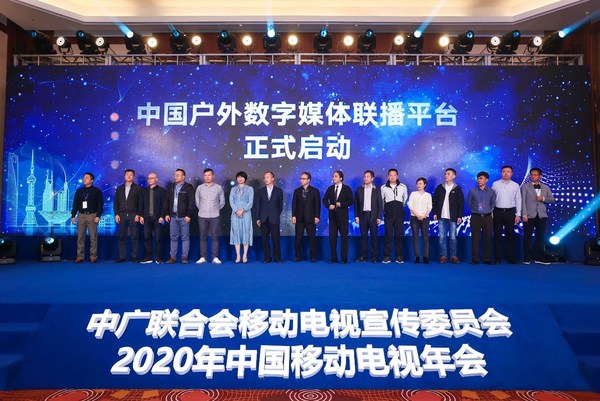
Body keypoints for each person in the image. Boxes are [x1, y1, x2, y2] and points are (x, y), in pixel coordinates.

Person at [521, 168, 555, 265]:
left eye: (535, 174)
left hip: (541, 215)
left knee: (540, 237)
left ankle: (539, 258)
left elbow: (552, 200)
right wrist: (524, 214)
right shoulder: (525, 186)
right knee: (527, 237)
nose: (533, 176)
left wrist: (543, 198)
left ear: (540, 176)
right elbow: (523, 201)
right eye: (531, 174)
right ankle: (526, 258)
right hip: (529, 215)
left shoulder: (545, 187)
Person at [432, 168, 464, 264]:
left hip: (453, 217)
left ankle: (453, 256)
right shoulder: (440, 187)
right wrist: (435, 213)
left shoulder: (457, 189)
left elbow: (460, 203)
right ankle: (443, 256)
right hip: (441, 216)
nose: (446, 175)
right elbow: (435, 201)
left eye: (448, 174)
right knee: (442, 237)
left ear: (454, 176)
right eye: (445, 173)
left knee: (453, 237)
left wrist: (459, 216)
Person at [492, 165, 522, 264]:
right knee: (497, 235)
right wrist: (491, 212)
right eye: (504, 171)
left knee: (510, 235)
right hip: (497, 212)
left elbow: (518, 200)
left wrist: (518, 214)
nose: (506, 173)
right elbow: (492, 199)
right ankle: (497, 258)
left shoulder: (515, 185)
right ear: (501, 173)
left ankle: (510, 257)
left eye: (508, 171)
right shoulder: (495, 184)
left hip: (510, 212)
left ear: (511, 173)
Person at [195, 168, 226, 264]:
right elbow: (197, 201)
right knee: (202, 236)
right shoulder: (200, 188)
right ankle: (203, 257)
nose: (207, 177)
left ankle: (215, 257)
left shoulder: (218, 188)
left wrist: (215, 209)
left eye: (209, 175)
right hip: (202, 215)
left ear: (213, 176)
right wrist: (202, 209)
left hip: (215, 215)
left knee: (214, 236)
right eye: (205, 175)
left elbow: (222, 202)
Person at [71, 172, 103, 263]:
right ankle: (80, 256)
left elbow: (100, 205)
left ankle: (93, 256)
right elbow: (75, 204)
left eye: (87, 177)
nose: (84, 179)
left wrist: (98, 216)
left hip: (92, 215)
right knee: (80, 237)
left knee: (93, 237)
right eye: (84, 177)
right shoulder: (79, 191)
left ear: (92, 180)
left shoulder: (97, 191)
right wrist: (73, 215)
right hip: (81, 215)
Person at [164, 168, 195, 264]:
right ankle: (172, 257)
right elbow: (166, 201)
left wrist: (189, 215)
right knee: (173, 237)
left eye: (178, 175)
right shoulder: (171, 187)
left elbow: (191, 202)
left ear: (183, 177)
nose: (175, 177)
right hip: (173, 217)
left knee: (185, 237)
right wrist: (166, 213)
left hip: (184, 217)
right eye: (175, 175)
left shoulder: (189, 187)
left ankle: (184, 257)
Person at [322, 170, 353, 264]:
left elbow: (351, 201)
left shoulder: (346, 188)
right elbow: (324, 199)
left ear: (341, 178)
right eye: (333, 176)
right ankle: (334, 258)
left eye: (335, 176)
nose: (333, 178)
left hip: (343, 217)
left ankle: (344, 258)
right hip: (332, 217)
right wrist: (328, 206)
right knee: (332, 238)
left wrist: (341, 204)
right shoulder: (330, 188)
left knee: (344, 238)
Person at [254, 171, 284, 263]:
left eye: (268, 177)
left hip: (274, 218)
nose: (265, 179)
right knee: (265, 240)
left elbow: (280, 206)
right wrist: (258, 218)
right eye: (265, 177)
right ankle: (267, 257)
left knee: (276, 239)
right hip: (263, 219)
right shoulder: (260, 191)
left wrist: (275, 214)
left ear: (272, 179)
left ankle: (277, 258)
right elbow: (257, 205)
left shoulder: (278, 191)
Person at [291, 171, 321, 262]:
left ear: (309, 180)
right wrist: (293, 215)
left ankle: (313, 256)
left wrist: (317, 216)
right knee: (298, 238)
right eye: (301, 178)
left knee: (312, 238)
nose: (301, 180)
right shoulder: (297, 191)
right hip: (299, 218)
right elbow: (294, 204)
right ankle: (297, 256)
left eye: (303, 179)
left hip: (311, 218)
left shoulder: (315, 191)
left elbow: (317, 205)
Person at [467, 171, 496, 265]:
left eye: (481, 178)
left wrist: (487, 210)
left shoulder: (491, 191)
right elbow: (469, 203)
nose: (479, 180)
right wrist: (476, 210)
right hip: (476, 217)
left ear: (486, 180)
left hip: (487, 217)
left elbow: (493, 203)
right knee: (475, 238)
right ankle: (475, 259)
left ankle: (487, 259)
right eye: (478, 178)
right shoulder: (472, 191)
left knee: (487, 238)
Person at [113, 168, 142, 263]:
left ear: (133, 177)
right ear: (124, 176)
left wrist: (138, 214)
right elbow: (116, 202)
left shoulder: (138, 188)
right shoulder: (119, 188)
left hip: (133, 214)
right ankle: (122, 256)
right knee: (121, 236)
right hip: (121, 215)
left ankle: (134, 256)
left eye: (131, 175)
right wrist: (116, 214)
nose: (129, 176)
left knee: (134, 236)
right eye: (127, 174)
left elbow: (141, 202)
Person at [354, 170, 383, 263]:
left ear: (372, 178)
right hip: (362, 216)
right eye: (364, 177)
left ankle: (374, 257)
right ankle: (363, 256)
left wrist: (379, 217)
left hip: (373, 216)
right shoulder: (359, 189)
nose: (365, 178)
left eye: (368, 177)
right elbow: (356, 204)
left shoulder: (377, 189)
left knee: (374, 237)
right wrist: (356, 216)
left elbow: (380, 204)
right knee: (363, 237)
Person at [381, 168, 408, 264]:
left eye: (394, 175)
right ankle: (387, 256)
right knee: (388, 236)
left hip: (399, 214)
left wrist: (399, 207)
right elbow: (382, 201)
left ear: (397, 176)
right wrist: (386, 210)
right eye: (390, 175)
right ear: (388, 176)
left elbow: (405, 199)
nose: (392, 177)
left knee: (398, 236)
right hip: (388, 214)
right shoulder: (383, 187)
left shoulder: (403, 187)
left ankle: (399, 256)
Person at [139, 172, 167, 264]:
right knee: (147, 238)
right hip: (146, 218)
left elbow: (164, 205)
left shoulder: (162, 191)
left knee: (158, 238)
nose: (150, 180)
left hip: (157, 218)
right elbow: (141, 204)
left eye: (152, 178)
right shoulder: (144, 191)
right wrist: (141, 215)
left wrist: (162, 216)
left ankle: (159, 258)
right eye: (149, 178)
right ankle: (148, 257)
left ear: (156, 179)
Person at [229, 171, 254, 263]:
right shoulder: (233, 189)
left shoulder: (250, 189)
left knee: (246, 232)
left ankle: (245, 255)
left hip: (246, 213)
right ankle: (238, 255)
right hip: (235, 214)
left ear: (245, 178)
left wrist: (243, 210)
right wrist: (236, 211)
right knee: (236, 233)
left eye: (242, 177)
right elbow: (231, 201)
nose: (240, 179)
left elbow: (250, 202)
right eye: (238, 177)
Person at [407, 177, 432, 264]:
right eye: (417, 183)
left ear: (425, 184)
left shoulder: (428, 195)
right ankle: (417, 256)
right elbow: (410, 206)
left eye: (420, 183)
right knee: (415, 237)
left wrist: (424, 215)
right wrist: (417, 215)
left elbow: (430, 206)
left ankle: (426, 256)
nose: (418, 185)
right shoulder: (413, 194)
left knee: (425, 237)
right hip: (414, 218)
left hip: (425, 218)